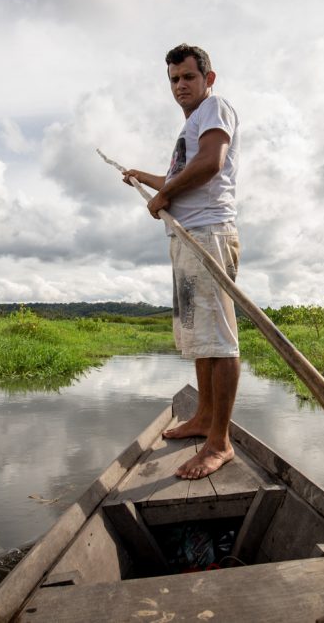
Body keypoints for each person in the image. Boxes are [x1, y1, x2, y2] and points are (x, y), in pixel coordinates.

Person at [123, 43, 241, 480]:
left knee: (221, 339)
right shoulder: (192, 124)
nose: (180, 86)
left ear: (208, 79)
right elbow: (178, 179)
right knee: (201, 338)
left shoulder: (215, 108)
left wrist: (166, 193)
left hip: (208, 235)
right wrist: (145, 178)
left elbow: (211, 163)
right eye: (173, 80)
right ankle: (204, 418)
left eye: (188, 77)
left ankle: (220, 443)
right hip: (189, 239)